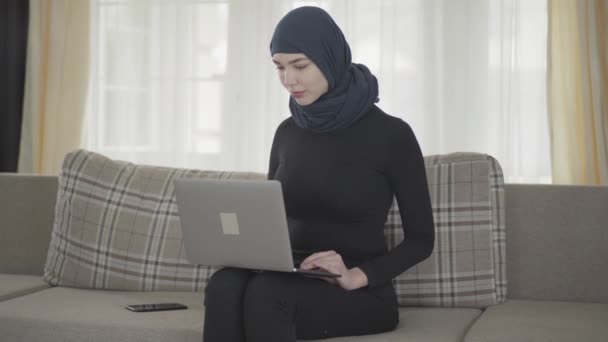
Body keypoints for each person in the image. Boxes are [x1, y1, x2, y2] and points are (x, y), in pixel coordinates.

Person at [202, 6, 435, 341]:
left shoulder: (391, 135)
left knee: (267, 294)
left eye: (300, 65)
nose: (288, 80)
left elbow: (421, 240)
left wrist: (356, 275)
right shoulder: (287, 131)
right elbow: (272, 218)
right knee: (224, 284)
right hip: (291, 274)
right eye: (279, 67)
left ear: (329, 58)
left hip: (357, 291)